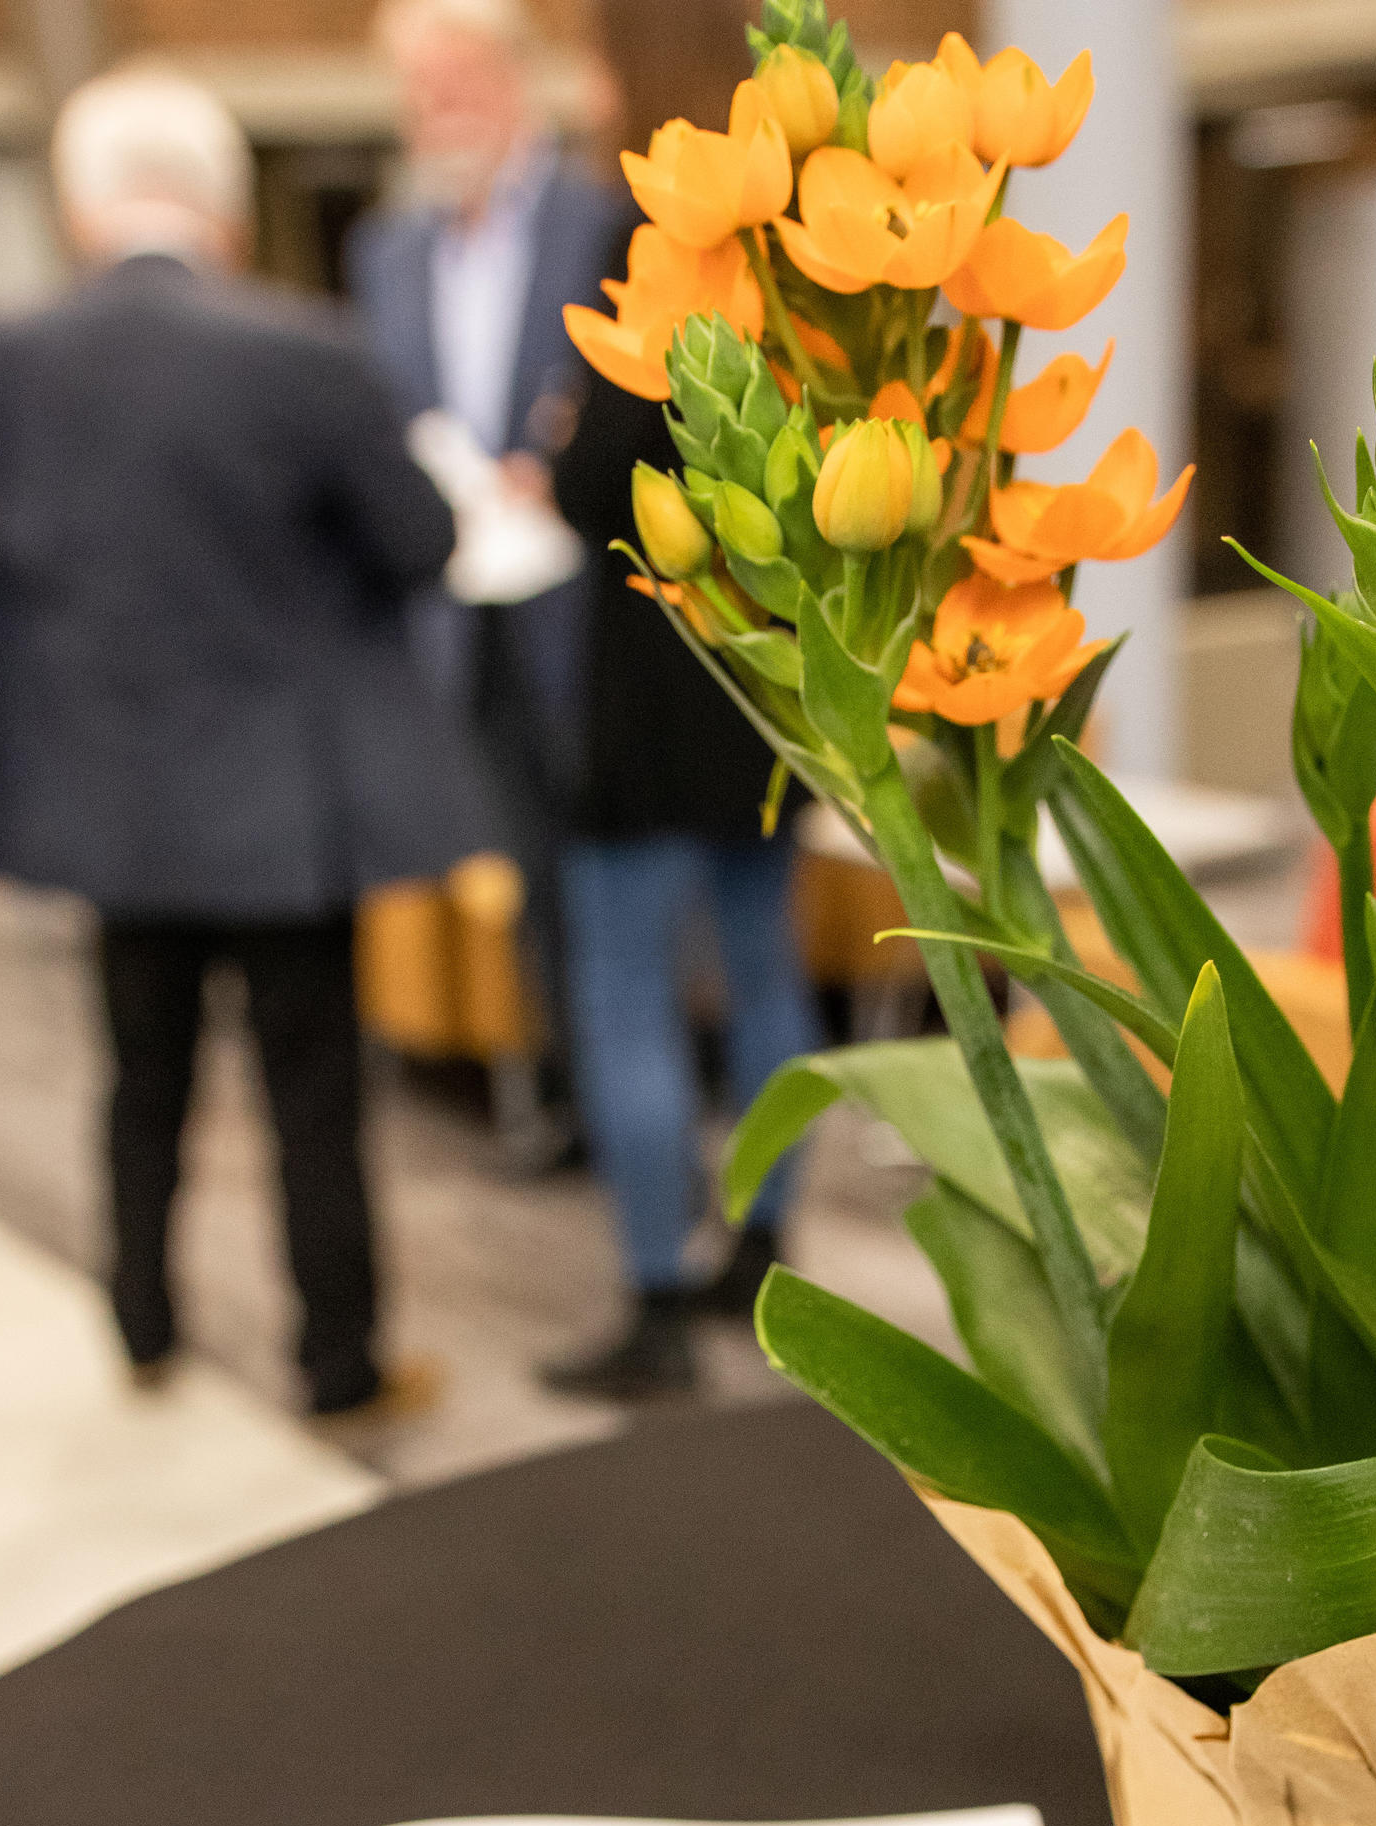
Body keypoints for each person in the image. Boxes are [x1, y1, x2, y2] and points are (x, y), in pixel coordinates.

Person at [0, 64, 471, 1421]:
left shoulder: (5, 356)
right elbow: (423, 541)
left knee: (140, 1078)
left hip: (109, 802)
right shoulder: (304, 352)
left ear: (82, 204)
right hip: (284, 812)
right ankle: (338, 1363)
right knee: (311, 1093)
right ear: (223, 210)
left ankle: (142, 1327)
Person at [538, 0, 818, 1404]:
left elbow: (604, 487)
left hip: (655, 678)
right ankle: (759, 1251)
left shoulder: (650, 232)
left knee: (623, 992)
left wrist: (557, 446)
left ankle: (654, 1301)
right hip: (770, 674)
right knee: (763, 965)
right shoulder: (806, 237)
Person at [349, 0, 618, 1125]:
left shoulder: (601, 221)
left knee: (615, 871)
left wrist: (557, 459)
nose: (435, 111)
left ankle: (635, 1098)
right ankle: (558, 1088)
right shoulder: (388, 249)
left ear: (515, 84)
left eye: (455, 82)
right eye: (417, 90)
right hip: (464, 608)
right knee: (520, 864)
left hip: (590, 604)